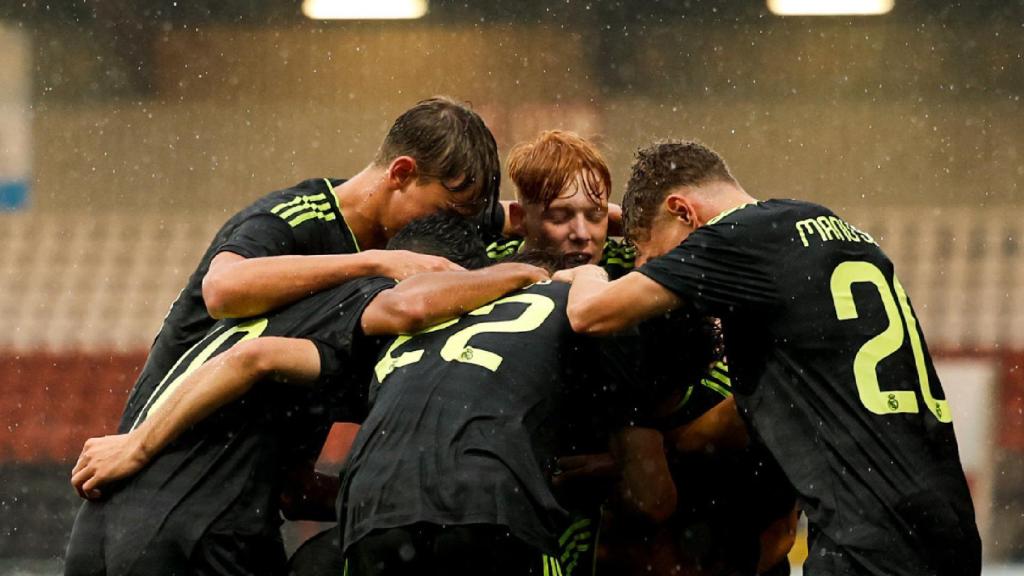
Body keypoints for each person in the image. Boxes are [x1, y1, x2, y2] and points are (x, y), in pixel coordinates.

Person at [557, 140, 982, 576]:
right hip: (946, 527)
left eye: (660, 259)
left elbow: (590, 314)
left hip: (868, 540)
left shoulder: (736, 240)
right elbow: (743, 419)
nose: (670, 276)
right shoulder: (822, 227)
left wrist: (587, 272)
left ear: (685, 212)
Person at [66, 214, 548, 576]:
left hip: (104, 527)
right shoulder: (366, 309)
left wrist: (398, 498)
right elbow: (254, 358)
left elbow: (296, 490)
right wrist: (526, 274)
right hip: (194, 527)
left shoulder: (295, 297)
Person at [118, 95, 501, 434]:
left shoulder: (417, 230)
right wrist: (372, 263)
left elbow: (514, 216)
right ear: (400, 174)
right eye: (443, 211)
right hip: (172, 451)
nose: (446, 227)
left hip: (248, 466)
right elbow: (222, 291)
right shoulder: (296, 216)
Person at [486, 130, 635, 278]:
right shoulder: (487, 264)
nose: (581, 234)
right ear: (519, 218)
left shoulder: (628, 265)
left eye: (595, 215)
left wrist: (633, 224)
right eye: (559, 217)